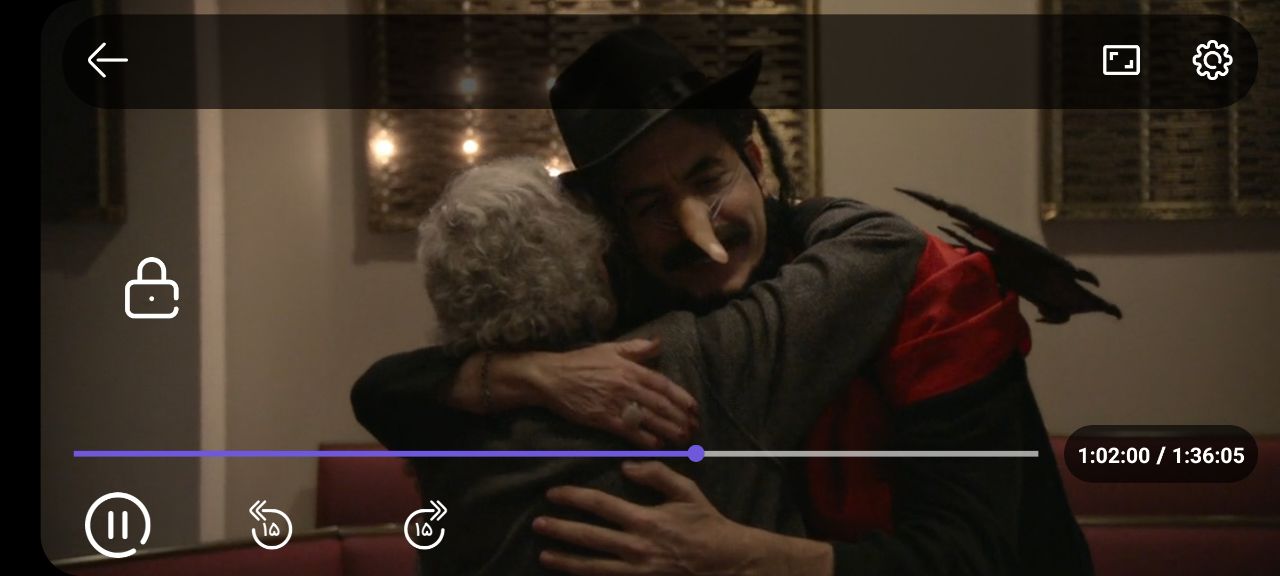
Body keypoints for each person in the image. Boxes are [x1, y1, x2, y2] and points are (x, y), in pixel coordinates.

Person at [354, 26, 1092, 575]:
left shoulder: (927, 290)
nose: (694, 229)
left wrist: (755, 558)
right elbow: (386, 393)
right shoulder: (627, 315)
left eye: (708, 179)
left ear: (754, 161)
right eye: (649, 204)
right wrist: (529, 375)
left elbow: (986, 556)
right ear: (616, 228)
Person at [373, 155, 921, 575]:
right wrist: (771, 199)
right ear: (599, 264)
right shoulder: (695, 357)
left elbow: (376, 390)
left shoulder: (438, 429)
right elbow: (886, 242)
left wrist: (511, 376)